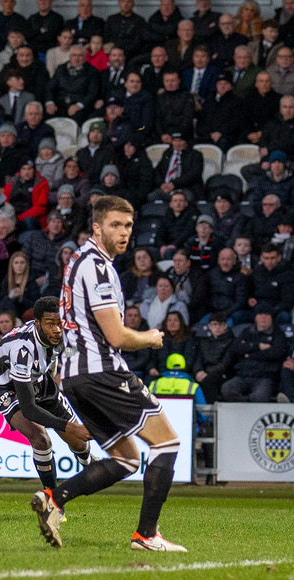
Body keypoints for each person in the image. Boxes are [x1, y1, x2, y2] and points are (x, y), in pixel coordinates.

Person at [30, 196, 186, 552]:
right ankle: (147, 535)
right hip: (101, 370)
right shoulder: (98, 266)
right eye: (115, 225)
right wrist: (149, 336)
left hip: (73, 376)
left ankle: (55, 498)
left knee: (126, 458)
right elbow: (116, 335)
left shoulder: (77, 263)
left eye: (128, 226)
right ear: (97, 227)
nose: (124, 233)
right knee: (167, 442)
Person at [0, 296, 93, 494]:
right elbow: (29, 409)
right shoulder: (22, 350)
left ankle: (90, 466)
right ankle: (52, 499)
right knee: (41, 439)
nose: (57, 329)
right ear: (37, 323)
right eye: (50, 324)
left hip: (39, 379)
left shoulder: (65, 336)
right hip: (5, 387)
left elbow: (74, 356)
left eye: (59, 323)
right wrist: (70, 426)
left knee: (79, 442)